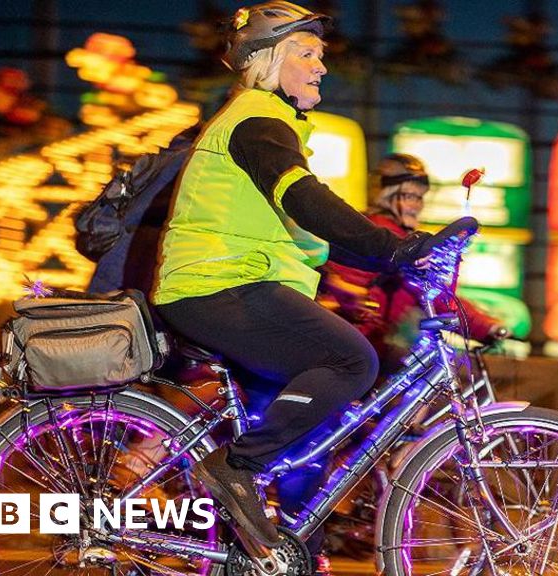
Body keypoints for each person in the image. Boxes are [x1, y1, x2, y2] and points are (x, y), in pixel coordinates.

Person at [150, 1, 435, 566]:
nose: (320, 66)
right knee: (352, 363)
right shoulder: (256, 122)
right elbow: (305, 199)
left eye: (321, 55)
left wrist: (383, 260)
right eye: (306, 54)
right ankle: (231, 471)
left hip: (233, 283)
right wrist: (394, 248)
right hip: (217, 284)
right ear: (267, 61)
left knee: (301, 432)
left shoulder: (267, 124)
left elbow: (310, 231)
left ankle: (277, 549)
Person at [318, 153, 505, 372]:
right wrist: (489, 327)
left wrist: (484, 326)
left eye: (420, 197)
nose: (416, 206)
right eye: (408, 196)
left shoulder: (377, 230)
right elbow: (439, 297)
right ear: (384, 196)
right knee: (425, 376)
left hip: (363, 343)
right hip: (355, 345)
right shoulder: (387, 237)